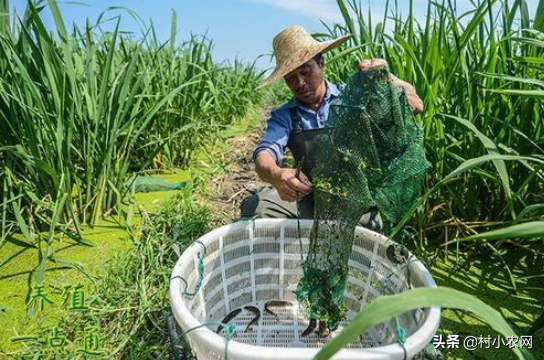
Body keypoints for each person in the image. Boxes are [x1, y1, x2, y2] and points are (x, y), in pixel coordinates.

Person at [240, 25, 424, 232]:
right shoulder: (285, 115)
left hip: (356, 202)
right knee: (258, 207)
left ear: (321, 63)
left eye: (305, 70)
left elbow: (415, 104)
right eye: (291, 77)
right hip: (309, 199)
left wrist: (384, 78)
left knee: (366, 232)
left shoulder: (354, 98)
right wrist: (276, 174)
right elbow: (264, 152)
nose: (299, 82)